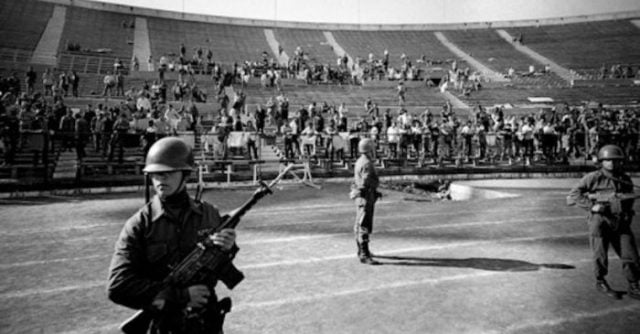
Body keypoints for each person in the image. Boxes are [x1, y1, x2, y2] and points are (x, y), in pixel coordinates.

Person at [107, 137, 238, 333]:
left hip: (206, 323)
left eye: (167, 173)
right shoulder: (139, 225)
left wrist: (228, 249)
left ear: (185, 175)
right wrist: (181, 296)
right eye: (155, 175)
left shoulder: (209, 215)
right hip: (166, 325)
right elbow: (118, 285)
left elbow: (218, 263)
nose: (160, 180)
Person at [567, 144, 640, 300]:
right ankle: (600, 281)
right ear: (601, 161)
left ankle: (634, 285)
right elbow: (574, 194)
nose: (612, 163)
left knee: (630, 254)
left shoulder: (624, 178)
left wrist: (627, 213)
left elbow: (628, 199)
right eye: (607, 160)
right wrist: (593, 207)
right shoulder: (593, 177)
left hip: (620, 221)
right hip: (600, 221)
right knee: (600, 254)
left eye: (615, 160)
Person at [349, 138, 381, 265]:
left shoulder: (360, 161)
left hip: (363, 196)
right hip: (365, 196)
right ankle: (364, 253)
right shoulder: (367, 163)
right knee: (364, 224)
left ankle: (360, 250)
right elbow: (364, 182)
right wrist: (372, 189)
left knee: (360, 223)